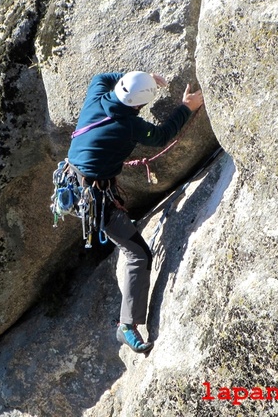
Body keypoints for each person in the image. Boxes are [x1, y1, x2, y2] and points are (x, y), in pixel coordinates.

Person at [67, 71, 204, 353]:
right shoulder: (128, 126)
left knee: (131, 241)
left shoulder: (97, 95)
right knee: (139, 254)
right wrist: (187, 108)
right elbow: (161, 136)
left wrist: (144, 79)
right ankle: (126, 326)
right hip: (95, 201)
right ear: (138, 106)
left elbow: (102, 76)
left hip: (73, 183)